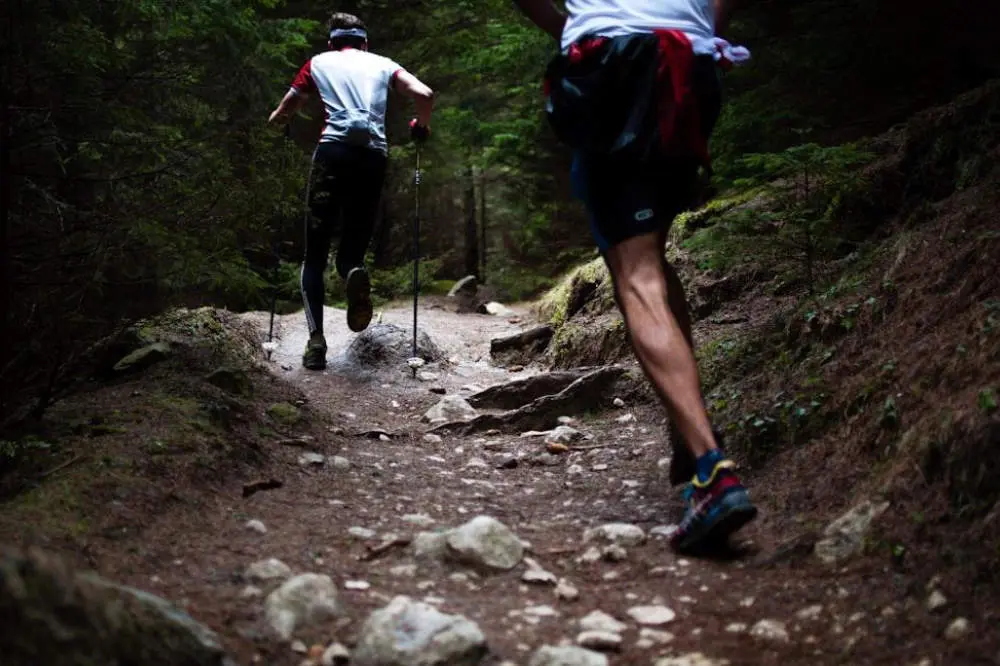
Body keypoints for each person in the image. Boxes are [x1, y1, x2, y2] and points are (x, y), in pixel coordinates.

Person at [513, 0, 756, 552]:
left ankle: (712, 473)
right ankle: (688, 433)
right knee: (653, 254)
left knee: (636, 272)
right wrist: (705, 37)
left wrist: (570, 27)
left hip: (610, 62)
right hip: (690, 64)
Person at [269, 13, 434, 371]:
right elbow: (424, 94)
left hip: (332, 153)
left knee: (314, 254)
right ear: (365, 43)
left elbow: (285, 110)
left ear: (331, 42)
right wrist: (420, 126)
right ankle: (352, 272)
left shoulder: (318, 63)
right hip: (372, 157)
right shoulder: (383, 64)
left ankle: (316, 343)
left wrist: (278, 124)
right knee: (352, 250)